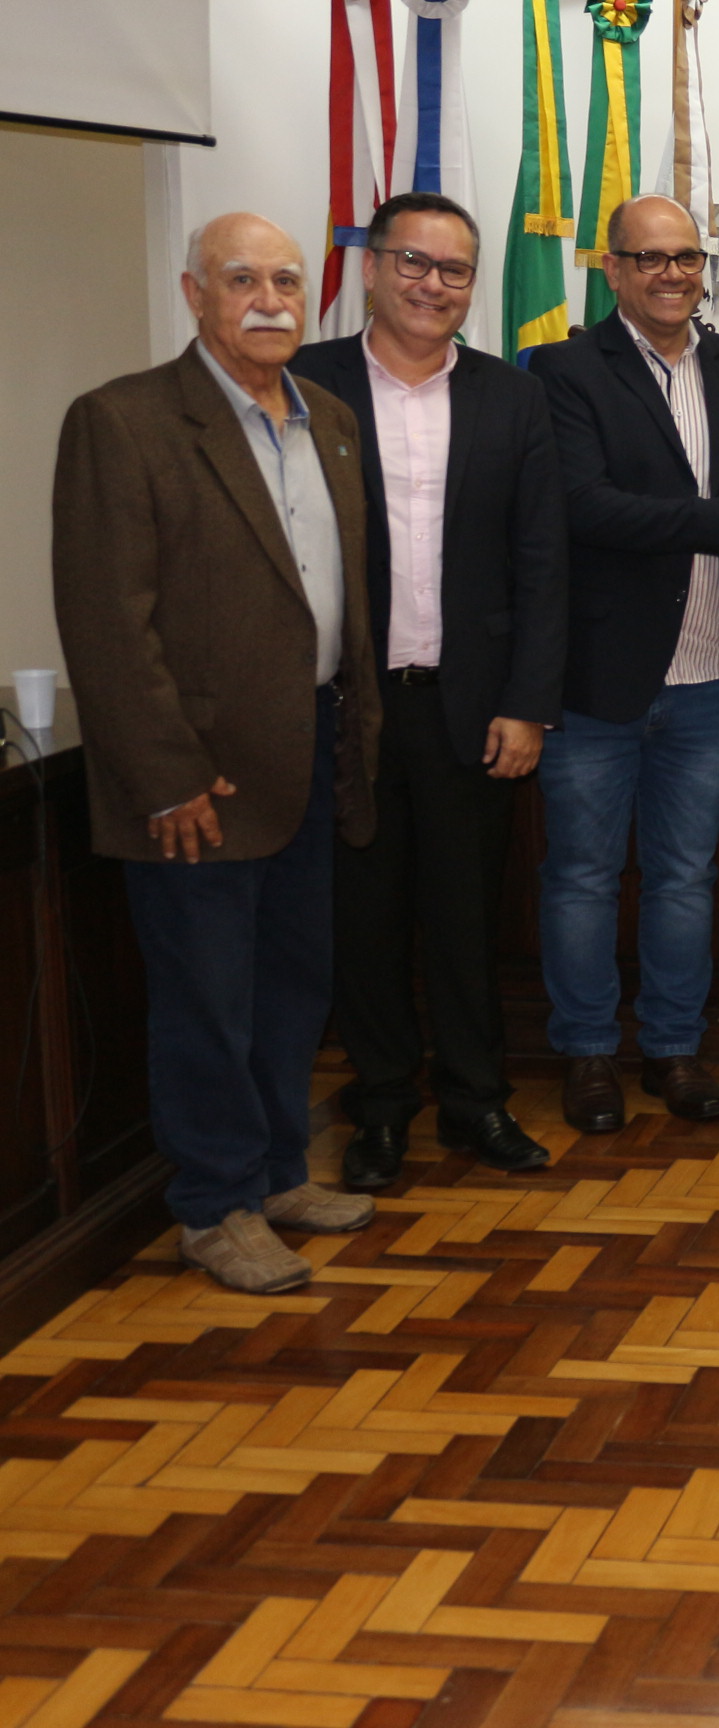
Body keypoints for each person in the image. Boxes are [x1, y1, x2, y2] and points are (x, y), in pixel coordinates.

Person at [52, 212, 383, 1292]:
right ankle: (213, 1206)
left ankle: (279, 1172)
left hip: (314, 747)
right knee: (207, 998)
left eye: (287, 278)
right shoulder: (125, 422)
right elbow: (106, 621)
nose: (271, 298)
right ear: (195, 295)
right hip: (201, 772)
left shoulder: (328, 417)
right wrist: (167, 774)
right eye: (242, 279)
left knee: (294, 983)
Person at [290, 191, 563, 1188]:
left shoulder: (511, 397)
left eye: (453, 270)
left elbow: (543, 560)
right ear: (370, 266)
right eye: (413, 262)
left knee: (464, 915)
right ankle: (382, 1109)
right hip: (347, 706)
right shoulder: (306, 386)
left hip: (473, 705)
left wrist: (530, 701)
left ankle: (476, 1102)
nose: (431, 285)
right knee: (362, 916)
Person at [526, 194, 719, 1133]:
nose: (672, 273)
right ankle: (589, 1053)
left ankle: (675, 1048)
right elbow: (581, 506)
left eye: (686, 256)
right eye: (650, 259)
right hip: (598, 676)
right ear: (613, 271)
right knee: (583, 877)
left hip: (713, 674)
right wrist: (713, 514)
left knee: (687, 878)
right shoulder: (563, 370)